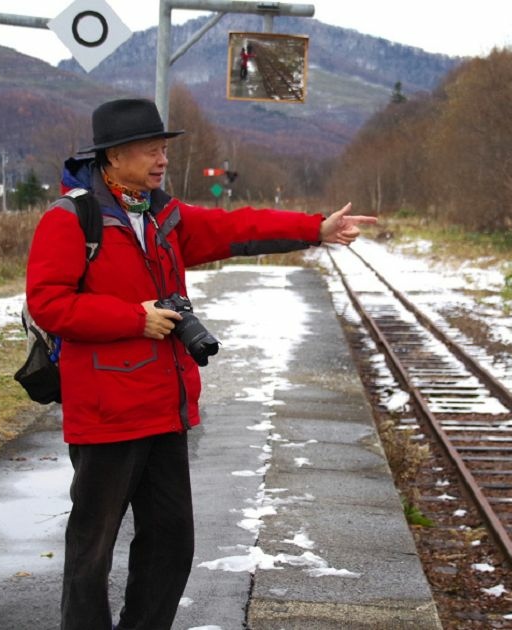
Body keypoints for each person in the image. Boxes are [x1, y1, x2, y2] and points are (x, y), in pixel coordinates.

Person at [24, 98, 376, 630]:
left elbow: (237, 229)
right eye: (150, 149)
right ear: (113, 156)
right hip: (105, 412)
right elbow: (48, 303)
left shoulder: (163, 215)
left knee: (171, 542)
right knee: (91, 548)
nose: (161, 158)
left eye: (164, 148)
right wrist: (132, 318)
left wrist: (315, 229)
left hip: (165, 409)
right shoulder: (73, 218)